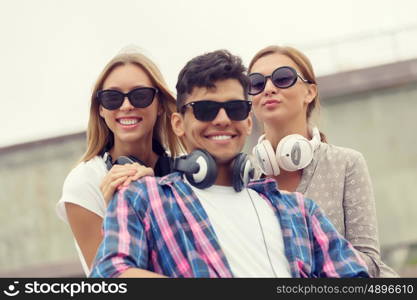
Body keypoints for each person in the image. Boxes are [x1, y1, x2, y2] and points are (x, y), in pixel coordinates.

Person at [89, 49, 368, 278]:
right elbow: (111, 274)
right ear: (178, 124)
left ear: (248, 121)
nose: (222, 119)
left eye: (234, 108)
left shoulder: (300, 211)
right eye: (206, 110)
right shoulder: (142, 199)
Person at [248, 45, 397, 277]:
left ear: (310, 92)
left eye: (283, 78)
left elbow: (370, 264)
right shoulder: (243, 176)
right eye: (256, 83)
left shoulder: (347, 163)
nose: (268, 88)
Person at [56, 50, 183, 276]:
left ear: (160, 104)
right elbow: (111, 278)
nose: (126, 106)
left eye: (140, 95)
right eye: (113, 98)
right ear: (101, 109)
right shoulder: (83, 182)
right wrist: (127, 201)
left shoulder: (182, 173)